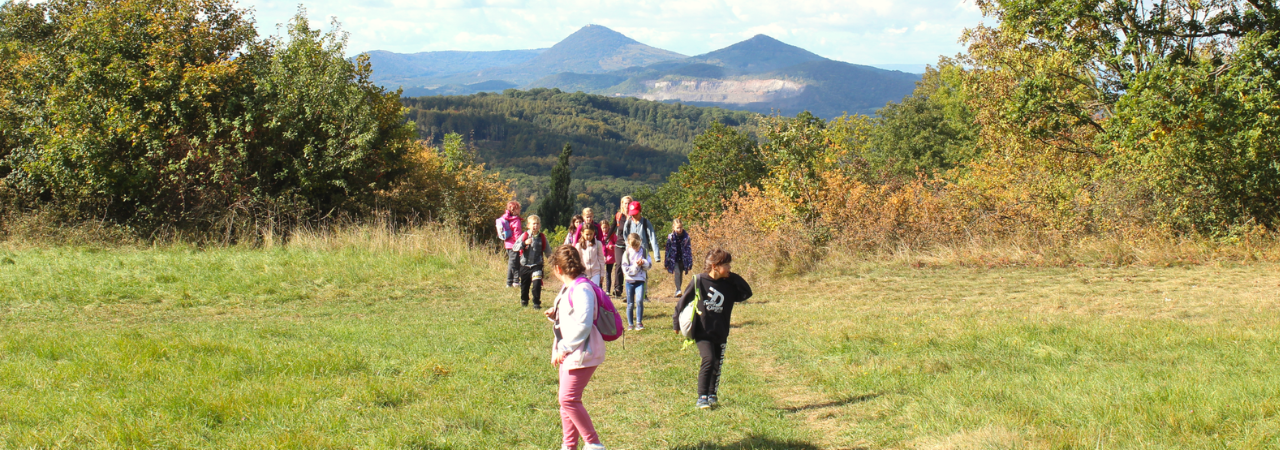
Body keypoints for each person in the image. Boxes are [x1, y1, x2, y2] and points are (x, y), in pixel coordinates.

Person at [544, 245, 609, 450]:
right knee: (566, 402)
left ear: (558, 268)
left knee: (568, 399)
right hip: (571, 353)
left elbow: (584, 324)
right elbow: (573, 314)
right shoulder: (569, 287)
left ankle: (593, 443)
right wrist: (556, 313)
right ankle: (569, 445)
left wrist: (563, 347)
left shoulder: (582, 288)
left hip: (582, 352)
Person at [671, 249, 752, 410]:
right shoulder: (699, 280)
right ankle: (702, 397)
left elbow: (746, 293)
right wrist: (676, 323)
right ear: (715, 266)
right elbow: (682, 303)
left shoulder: (728, 284)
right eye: (727, 265)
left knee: (717, 364)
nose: (729, 267)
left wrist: (732, 276)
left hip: (721, 331)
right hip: (702, 331)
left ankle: (712, 394)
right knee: (708, 359)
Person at [517, 215, 550, 308]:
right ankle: (524, 300)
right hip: (525, 264)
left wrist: (553, 262)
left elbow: (548, 251)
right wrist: (524, 243)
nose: (535, 226)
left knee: (537, 284)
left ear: (540, 226)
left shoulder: (542, 237)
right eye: (533, 224)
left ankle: (536, 302)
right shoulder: (524, 236)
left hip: (537, 264)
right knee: (525, 285)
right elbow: (515, 247)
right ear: (528, 225)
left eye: (537, 224)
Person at [621, 233, 652, 331]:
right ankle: (630, 324)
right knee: (630, 303)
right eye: (634, 247)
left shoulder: (644, 252)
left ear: (640, 242)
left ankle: (639, 322)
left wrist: (643, 263)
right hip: (629, 281)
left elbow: (649, 264)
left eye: (637, 246)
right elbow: (625, 268)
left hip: (640, 280)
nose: (636, 248)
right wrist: (636, 266)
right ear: (629, 245)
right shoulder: (626, 253)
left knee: (639, 301)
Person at [495, 201, 523, 288]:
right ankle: (513, 281)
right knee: (515, 263)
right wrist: (520, 245)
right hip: (514, 245)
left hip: (507, 244)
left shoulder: (506, 218)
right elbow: (517, 234)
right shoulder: (516, 220)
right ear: (515, 210)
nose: (520, 210)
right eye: (518, 208)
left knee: (512, 262)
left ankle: (511, 281)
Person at [664, 218, 693, 297]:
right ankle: (678, 289)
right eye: (677, 228)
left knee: (680, 274)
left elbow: (688, 250)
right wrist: (666, 262)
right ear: (674, 228)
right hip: (674, 258)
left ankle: (678, 290)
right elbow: (667, 250)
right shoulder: (671, 237)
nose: (679, 229)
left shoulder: (686, 237)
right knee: (677, 272)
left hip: (683, 259)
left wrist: (690, 263)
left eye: (680, 227)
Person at [610, 197, 633, 297]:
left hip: (631, 246)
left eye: (629, 203)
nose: (627, 205)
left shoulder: (634, 216)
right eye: (625, 203)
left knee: (630, 266)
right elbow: (612, 227)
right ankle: (617, 288)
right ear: (622, 204)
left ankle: (631, 288)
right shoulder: (618, 216)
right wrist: (606, 240)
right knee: (619, 265)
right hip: (619, 244)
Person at [600, 221, 617, 293]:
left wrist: (612, 246)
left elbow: (617, 244)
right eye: (603, 228)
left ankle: (608, 290)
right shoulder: (599, 236)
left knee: (608, 273)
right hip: (602, 257)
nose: (605, 229)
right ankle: (600, 289)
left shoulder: (612, 235)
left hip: (610, 258)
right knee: (601, 273)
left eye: (606, 227)